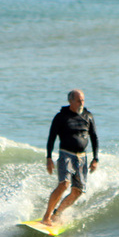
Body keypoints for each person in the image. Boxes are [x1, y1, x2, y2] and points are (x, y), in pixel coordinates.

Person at [42, 89, 99, 226]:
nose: (81, 103)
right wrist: (49, 158)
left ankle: (57, 213)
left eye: (83, 100)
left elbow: (94, 137)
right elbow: (51, 137)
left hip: (82, 158)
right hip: (66, 154)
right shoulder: (61, 116)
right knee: (64, 184)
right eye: (79, 100)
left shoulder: (88, 116)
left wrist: (95, 158)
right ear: (71, 101)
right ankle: (47, 216)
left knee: (77, 191)